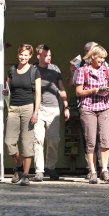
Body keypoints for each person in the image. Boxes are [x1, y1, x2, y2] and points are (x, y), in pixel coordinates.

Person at [75, 44, 109, 184]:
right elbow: (78, 92)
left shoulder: (106, 70)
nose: (102, 61)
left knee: (106, 139)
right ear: (93, 56)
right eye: (100, 58)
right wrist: (94, 90)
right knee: (91, 141)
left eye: (104, 58)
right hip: (88, 108)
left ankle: (104, 169)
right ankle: (92, 171)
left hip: (105, 107)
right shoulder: (83, 70)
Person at [3, 44, 41, 186]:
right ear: (18, 54)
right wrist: (5, 92)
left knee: (26, 143)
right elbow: (8, 88)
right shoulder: (12, 70)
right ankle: (18, 166)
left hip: (28, 108)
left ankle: (25, 175)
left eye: (26, 55)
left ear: (30, 56)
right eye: (21, 54)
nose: (23, 57)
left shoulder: (34, 71)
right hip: (13, 108)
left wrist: (36, 112)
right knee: (9, 141)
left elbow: (38, 93)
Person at [32, 44, 70, 182]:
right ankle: (39, 170)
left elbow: (61, 88)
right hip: (38, 108)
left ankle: (50, 166)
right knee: (38, 139)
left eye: (50, 55)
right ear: (39, 56)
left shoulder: (55, 69)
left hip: (54, 109)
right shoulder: (33, 69)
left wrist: (66, 106)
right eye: (46, 55)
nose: (49, 57)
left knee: (54, 140)